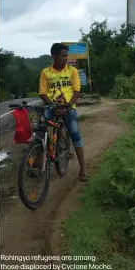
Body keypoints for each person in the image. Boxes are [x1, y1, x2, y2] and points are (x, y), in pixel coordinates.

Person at [39, 43, 89, 181]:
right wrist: (52, 105)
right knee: (41, 129)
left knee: (75, 136)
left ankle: (83, 169)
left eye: (67, 56)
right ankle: (40, 157)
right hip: (51, 106)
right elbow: (42, 93)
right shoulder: (45, 72)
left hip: (68, 107)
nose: (66, 59)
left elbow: (77, 91)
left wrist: (69, 105)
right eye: (63, 56)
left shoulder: (72, 71)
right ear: (54, 56)